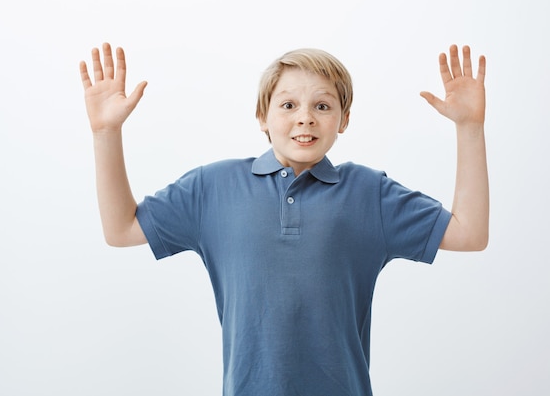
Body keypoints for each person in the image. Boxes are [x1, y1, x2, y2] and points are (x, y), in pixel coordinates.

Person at [79, 43, 489, 396]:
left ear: (344, 120)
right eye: (288, 104)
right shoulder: (212, 188)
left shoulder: (370, 193)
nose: (305, 118)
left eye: (323, 106)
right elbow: (121, 229)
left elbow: (469, 233)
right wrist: (105, 133)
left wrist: (469, 127)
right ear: (263, 116)